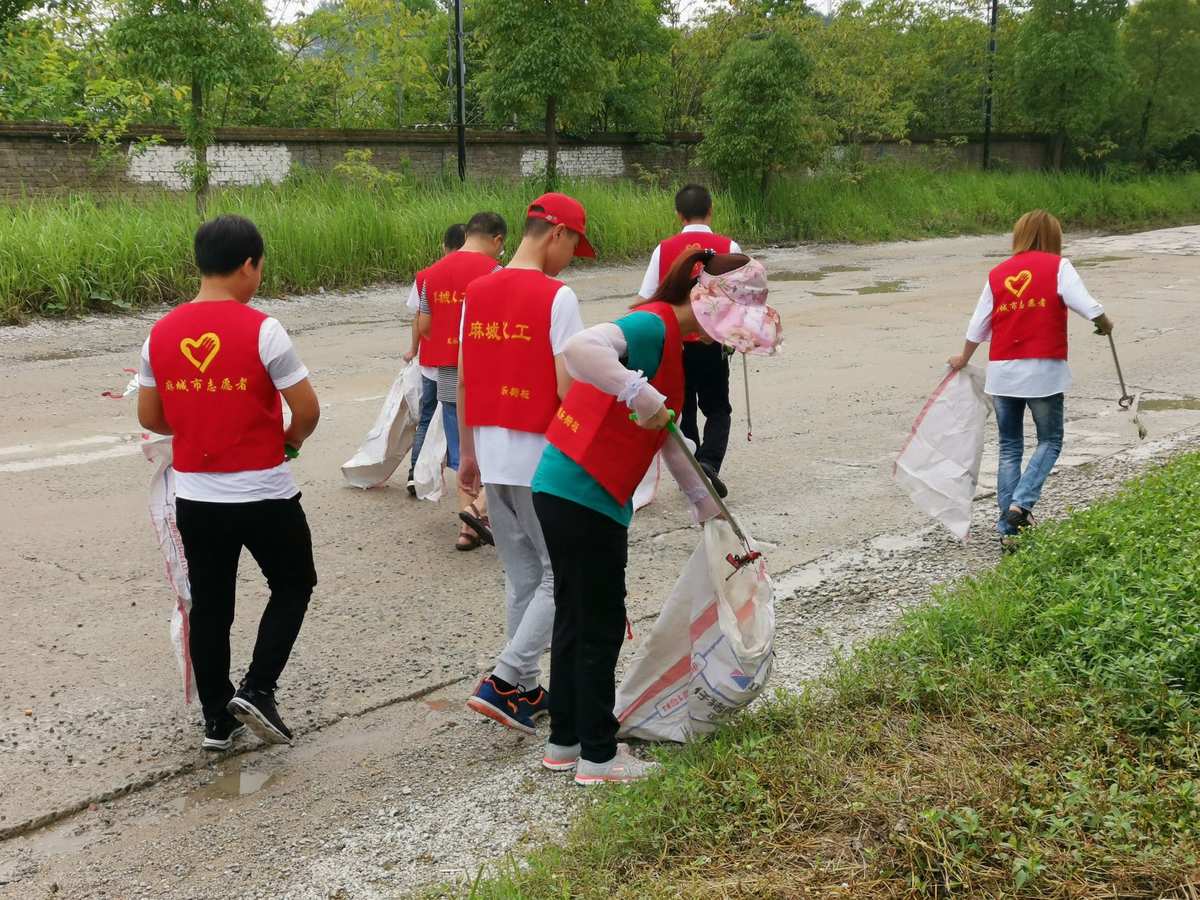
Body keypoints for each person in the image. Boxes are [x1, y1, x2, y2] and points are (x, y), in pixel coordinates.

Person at [534, 249, 781, 785]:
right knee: (598, 622)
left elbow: (668, 435)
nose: (729, 338)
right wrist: (635, 388)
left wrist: (707, 509)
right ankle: (599, 757)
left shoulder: (677, 343)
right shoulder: (650, 324)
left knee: (575, 616)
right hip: (584, 489)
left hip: (561, 484)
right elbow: (580, 349)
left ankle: (565, 740)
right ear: (712, 301)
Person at [136, 214, 321, 751]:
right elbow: (305, 409)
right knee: (293, 582)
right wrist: (290, 441)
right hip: (265, 492)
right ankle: (258, 689)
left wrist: (198, 425)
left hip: (196, 495)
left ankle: (218, 718)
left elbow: (151, 417)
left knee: (212, 603)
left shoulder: (160, 333)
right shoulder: (263, 328)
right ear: (248, 265)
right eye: (259, 267)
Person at [458, 193, 588, 732]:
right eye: (575, 245)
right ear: (556, 233)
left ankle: (527, 690)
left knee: (524, 575)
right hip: (543, 457)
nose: (574, 258)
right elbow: (569, 387)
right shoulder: (557, 297)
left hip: (493, 452)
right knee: (566, 577)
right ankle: (506, 677)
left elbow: (465, 376)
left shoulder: (476, 291)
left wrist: (467, 455)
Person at [948, 209, 1113, 550]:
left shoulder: (998, 273)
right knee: (1049, 440)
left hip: (1004, 371)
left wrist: (963, 358)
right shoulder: (1058, 266)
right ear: (1053, 236)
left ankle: (1009, 530)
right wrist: (1103, 323)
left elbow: (979, 324)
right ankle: (1020, 506)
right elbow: (1086, 305)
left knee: (1010, 447)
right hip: (1043, 371)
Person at [637, 184, 743, 498]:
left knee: (684, 407)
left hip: (676, 343)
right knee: (718, 408)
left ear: (678, 215)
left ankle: (693, 469)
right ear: (711, 210)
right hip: (712, 343)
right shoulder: (729, 246)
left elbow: (646, 299)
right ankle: (708, 461)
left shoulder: (664, 249)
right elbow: (739, 296)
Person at [415, 213, 506, 550]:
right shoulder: (498, 274)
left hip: (450, 375)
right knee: (492, 448)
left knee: (462, 452)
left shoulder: (432, 274)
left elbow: (425, 325)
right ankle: (482, 512)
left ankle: (466, 530)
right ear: (497, 240)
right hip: (488, 375)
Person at [404, 223, 466, 497]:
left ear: (444, 245)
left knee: (428, 417)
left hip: (432, 362)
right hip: (461, 363)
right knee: (461, 416)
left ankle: (415, 474)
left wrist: (413, 349)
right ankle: (466, 474)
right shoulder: (478, 277)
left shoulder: (426, 276)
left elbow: (419, 320)